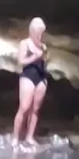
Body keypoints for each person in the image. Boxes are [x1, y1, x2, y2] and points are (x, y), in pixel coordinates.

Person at [13, 17, 49, 149]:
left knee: (35, 109)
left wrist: (43, 56)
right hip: (28, 76)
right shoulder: (25, 43)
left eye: (42, 33)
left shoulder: (43, 46)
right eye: (38, 32)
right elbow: (21, 61)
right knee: (24, 107)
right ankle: (15, 137)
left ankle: (29, 136)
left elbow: (45, 62)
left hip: (41, 77)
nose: (40, 35)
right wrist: (34, 57)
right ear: (32, 31)